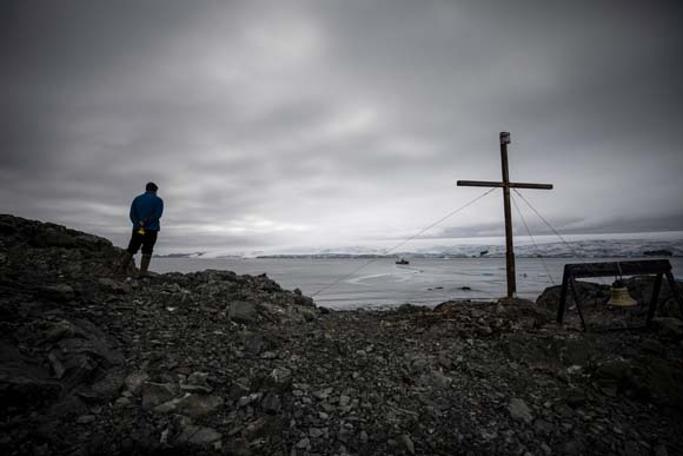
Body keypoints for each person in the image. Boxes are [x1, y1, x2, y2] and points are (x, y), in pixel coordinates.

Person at [117, 182, 164, 276]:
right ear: (155, 190)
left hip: (138, 229)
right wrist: (146, 222)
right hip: (151, 229)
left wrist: (138, 223)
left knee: (132, 248)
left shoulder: (137, 199)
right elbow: (157, 215)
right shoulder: (158, 200)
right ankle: (143, 272)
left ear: (146, 189)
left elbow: (132, 214)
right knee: (147, 249)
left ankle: (122, 269)